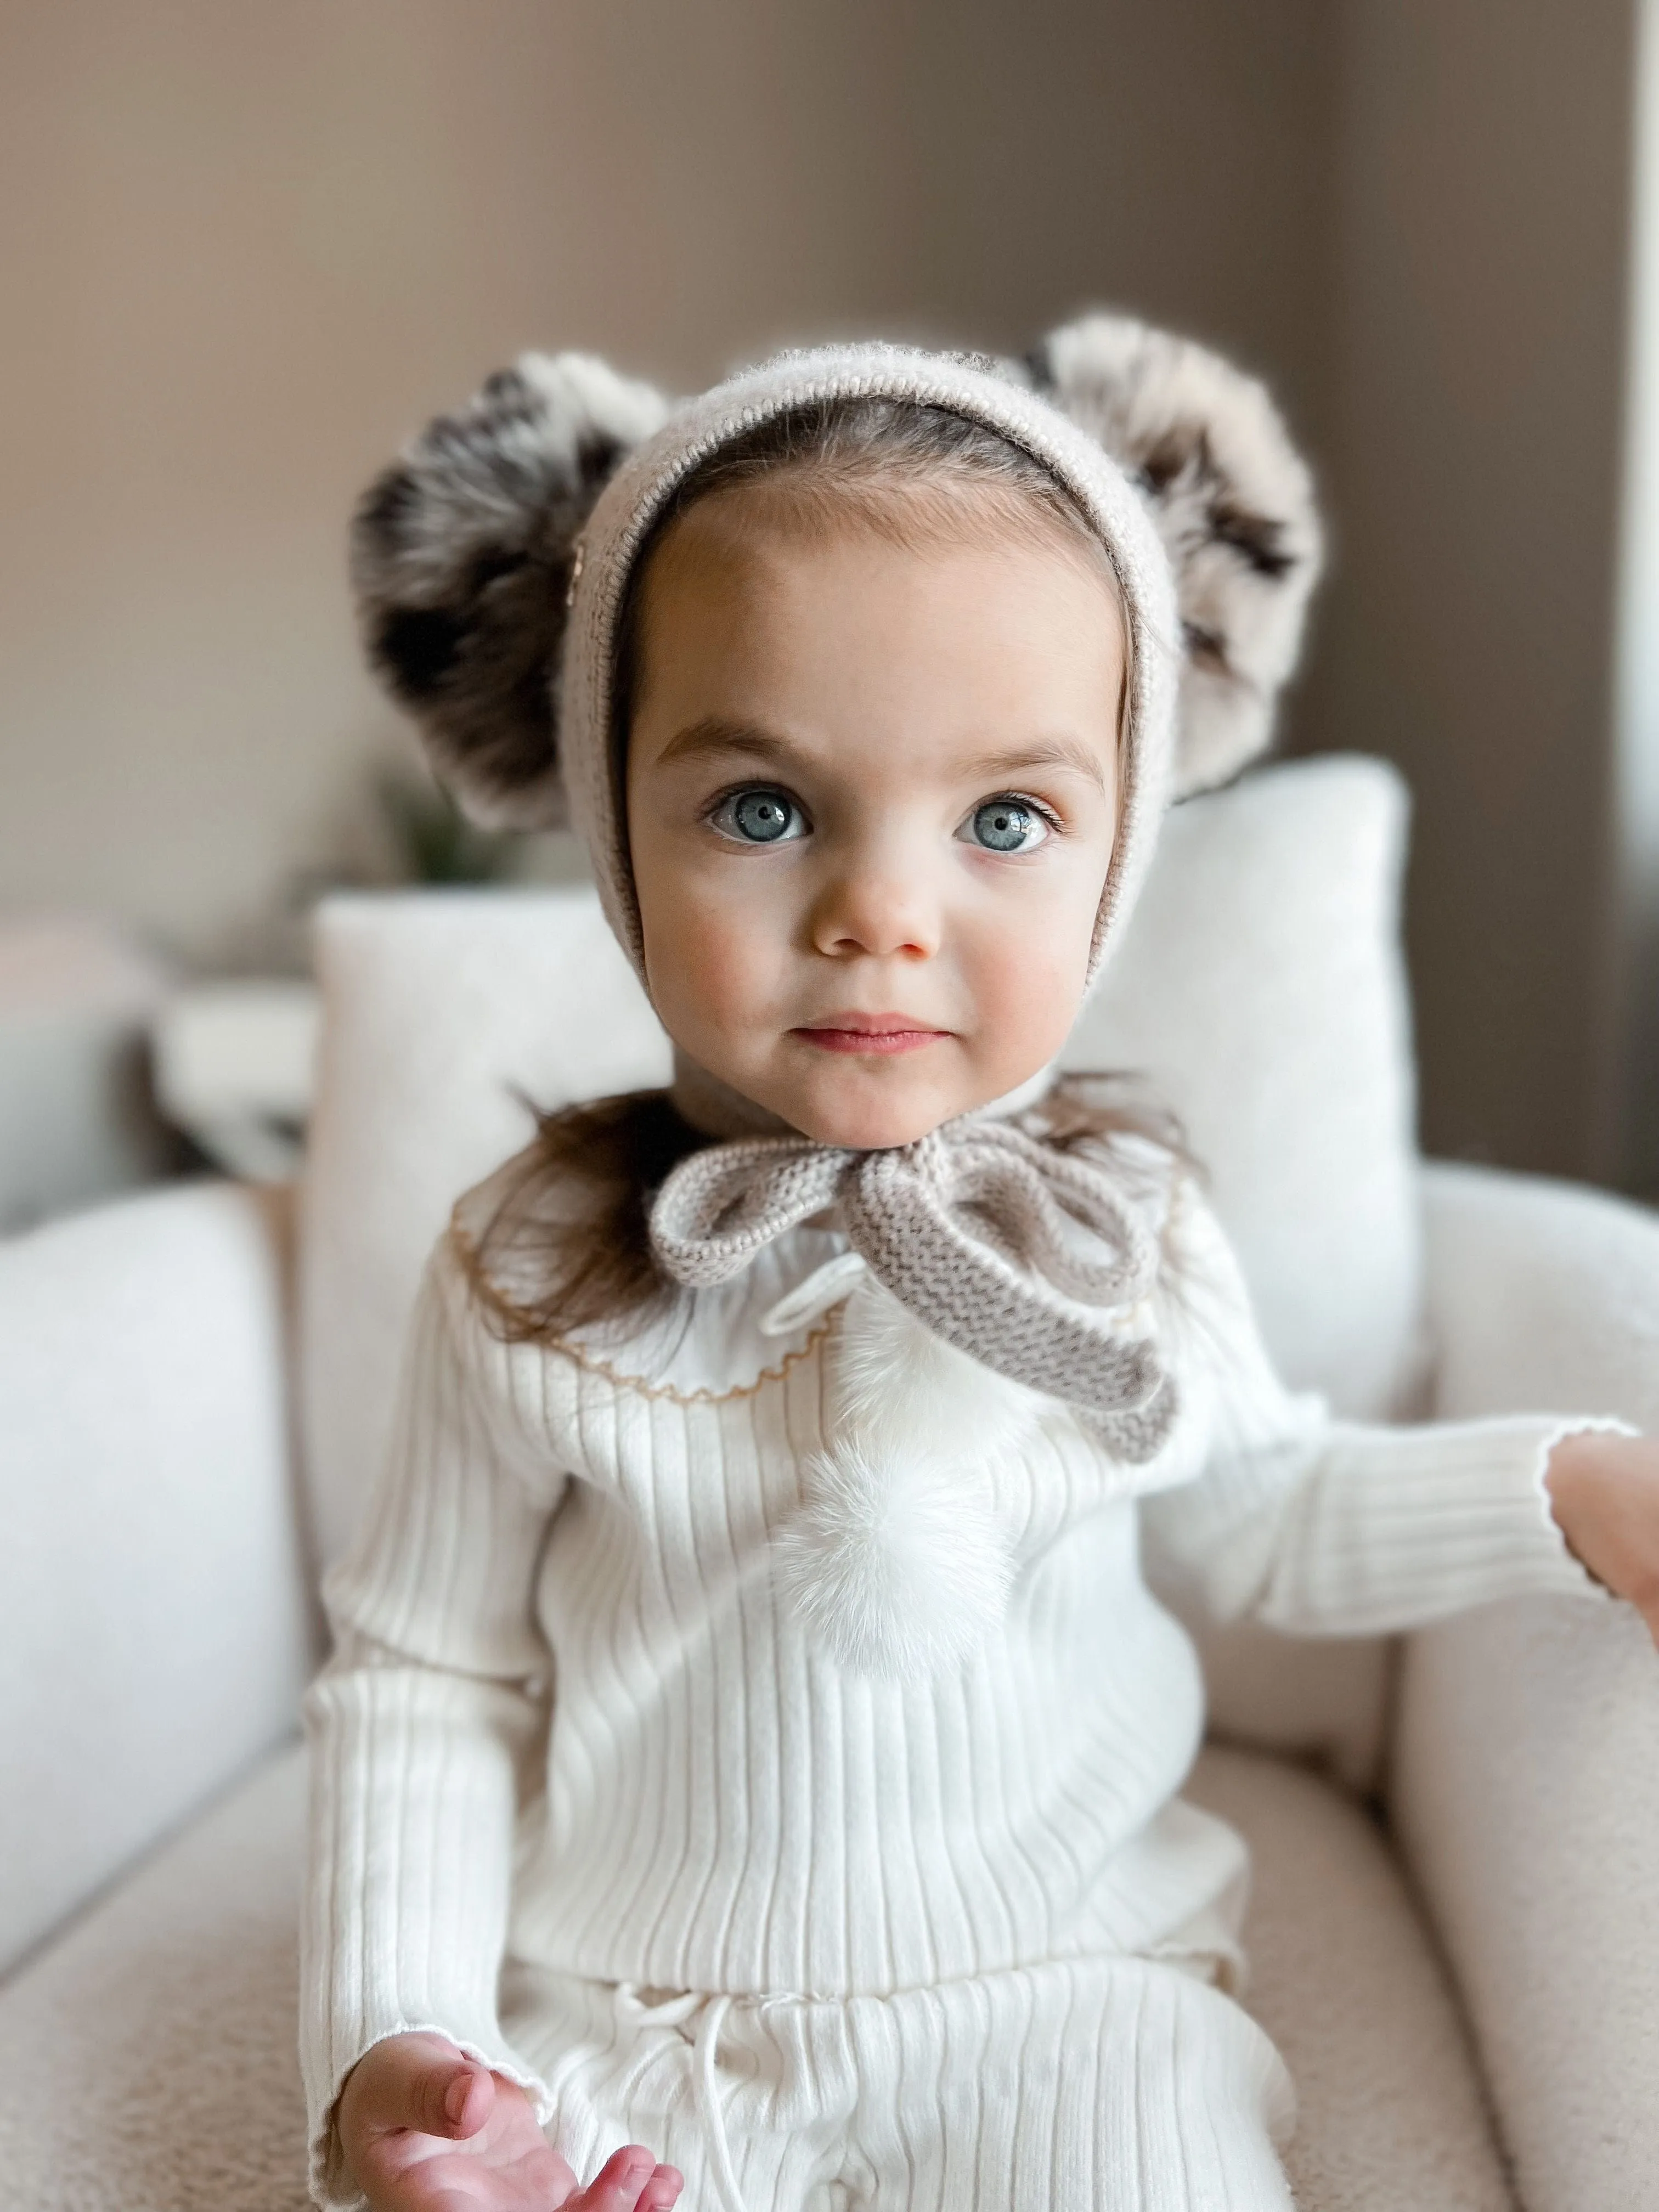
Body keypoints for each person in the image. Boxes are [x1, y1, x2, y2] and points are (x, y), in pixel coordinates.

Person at [301, 318, 1659, 2212]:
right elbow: (424, 1675)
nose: (882, 915)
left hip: (1071, 1993)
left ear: (1111, 856)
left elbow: (1263, 1507)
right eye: (762, 808)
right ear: (612, 821)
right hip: (640, 2012)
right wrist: (404, 2048)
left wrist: (1577, 1486)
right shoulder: (528, 1268)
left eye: (1004, 820)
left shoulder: (1123, 1231)